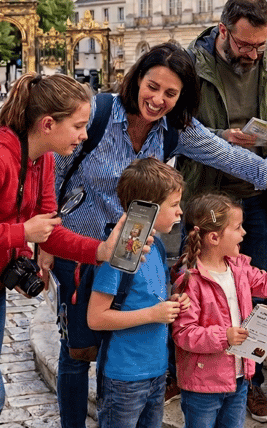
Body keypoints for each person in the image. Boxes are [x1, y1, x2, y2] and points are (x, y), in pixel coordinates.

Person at [44, 43, 267, 428]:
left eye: (170, 93)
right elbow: (51, 173)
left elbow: (240, 160)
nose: (157, 99)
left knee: (124, 338)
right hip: (80, 248)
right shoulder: (98, 115)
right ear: (137, 79)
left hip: (136, 253)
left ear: (183, 97)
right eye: (152, 86)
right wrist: (46, 241)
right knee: (76, 351)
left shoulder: (177, 128)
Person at [0, 72, 140, 428]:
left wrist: (101, 250)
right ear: (48, 124)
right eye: (80, 126)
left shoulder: (45, 159)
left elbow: (50, 235)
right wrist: (20, 233)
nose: (85, 135)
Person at [183, 0, 267, 422]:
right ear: (223, 31)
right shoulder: (191, 64)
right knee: (197, 290)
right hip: (207, 195)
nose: (253, 53)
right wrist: (223, 137)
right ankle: (189, 376)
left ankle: (248, 383)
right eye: (244, 45)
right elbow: (180, 128)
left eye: (260, 45)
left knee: (252, 292)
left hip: (258, 197)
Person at [171, 193, 267, 428]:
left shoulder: (239, 268)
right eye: (237, 227)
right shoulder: (190, 280)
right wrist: (223, 336)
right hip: (202, 385)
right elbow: (183, 334)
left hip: (239, 379)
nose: (244, 233)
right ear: (214, 237)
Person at [86, 158, 192, 428]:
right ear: (148, 210)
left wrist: (170, 304)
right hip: (124, 377)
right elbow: (96, 318)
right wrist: (154, 314)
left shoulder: (155, 246)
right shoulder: (119, 255)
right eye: (174, 205)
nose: (180, 212)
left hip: (156, 373)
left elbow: (148, 299)